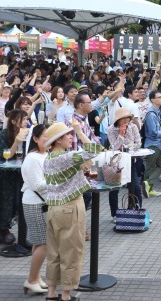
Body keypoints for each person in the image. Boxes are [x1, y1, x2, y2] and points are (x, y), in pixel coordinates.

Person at [43, 121, 103, 301]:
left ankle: (52, 292)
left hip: (53, 209)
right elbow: (94, 149)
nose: (71, 137)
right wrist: (79, 130)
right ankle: (67, 295)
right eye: (68, 135)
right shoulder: (66, 157)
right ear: (58, 140)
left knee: (54, 253)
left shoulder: (49, 158)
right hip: (70, 207)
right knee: (71, 252)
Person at [0, 109, 30, 245]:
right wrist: (17, 141)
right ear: (13, 122)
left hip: (21, 172)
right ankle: (2, 229)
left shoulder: (29, 134)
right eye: (23, 120)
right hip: (5, 174)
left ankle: (11, 231)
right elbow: (3, 156)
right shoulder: (3, 134)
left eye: (26, 119)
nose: (25, 122)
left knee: (19, 201)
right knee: (4, 201)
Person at [20, 124, 49, 295]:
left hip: (42, 203)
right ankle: (31, 279)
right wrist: (60, 180)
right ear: (36, 138)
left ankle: (36, 277)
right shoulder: (32, 158)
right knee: (45, 243)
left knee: (39, 242)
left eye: (50, 135)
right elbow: (38, 185)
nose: (48, 139)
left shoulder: (47, 155)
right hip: (34, 203)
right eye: (44, 136)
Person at [107, 107, 142, 218]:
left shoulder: (133, 127)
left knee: (136, 187)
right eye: (123, 118)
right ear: (118, 120)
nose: (126, 120)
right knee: (114, 188)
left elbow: (138, 143)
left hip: (131, 160)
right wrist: (121, 134)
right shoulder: (111, 129)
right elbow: (115, 146)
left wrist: (128, 146)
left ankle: (137, 212)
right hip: (117, 162)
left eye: (127, 118)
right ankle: (115, 214)